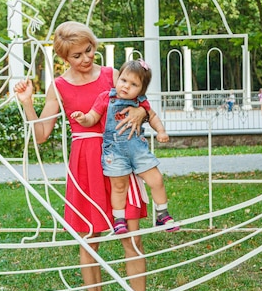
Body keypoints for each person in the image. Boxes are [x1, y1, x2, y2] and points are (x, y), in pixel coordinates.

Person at [14, 21, 156, 291]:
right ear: (64, 58)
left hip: (117, 158)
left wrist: (142, 113)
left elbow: (138, 98)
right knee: (88, 239)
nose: (86, 58)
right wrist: (27, 104)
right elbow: (41, 135)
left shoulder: (111, 75)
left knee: (131, 236)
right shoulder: (59, 87)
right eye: (77, 54)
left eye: (89, 49)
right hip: (84, 165)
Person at [70, 59, 180, 235]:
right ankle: (119, 219)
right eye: (123, 80)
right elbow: (93, 117)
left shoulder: (141, 102)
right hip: (114, 152)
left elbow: (152, 117)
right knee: (119, 186)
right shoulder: (105, 98)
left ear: (141, 89)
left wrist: (161, 131)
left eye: (134, 84)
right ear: (118, 78)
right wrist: (83, 118)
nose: (126, 86)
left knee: (156, 180)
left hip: (138, 150)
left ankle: (162, 214)